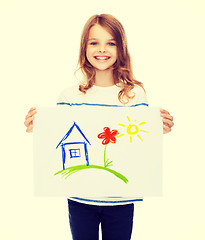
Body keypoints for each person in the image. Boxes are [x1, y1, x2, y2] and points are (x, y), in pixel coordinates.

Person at [24, 14, 174, 240]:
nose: (102, 49)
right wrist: (39, 129)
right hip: (80, 199)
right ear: (84, 47)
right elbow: (59, 137)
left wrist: (158, 128)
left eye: (110, 43)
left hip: (122, 199)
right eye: (94, 42)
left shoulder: (134, 95)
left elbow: (138, 140)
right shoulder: (69, 96)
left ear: (120, 48)